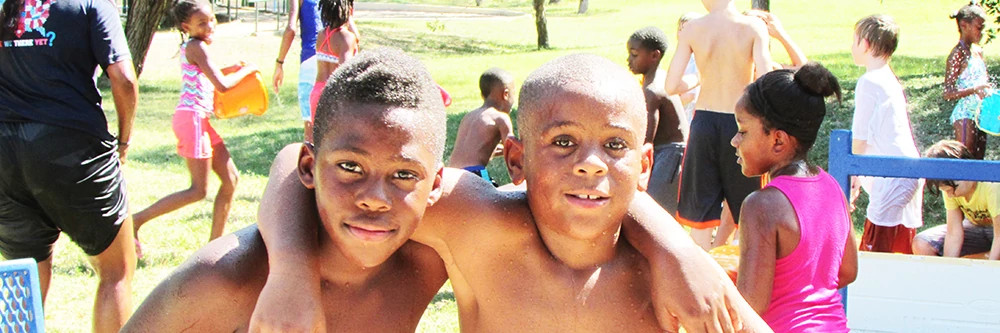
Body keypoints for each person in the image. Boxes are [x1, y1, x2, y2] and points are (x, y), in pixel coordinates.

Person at [249, 54, 769, 332]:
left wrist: (674, 250)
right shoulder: (475, 222)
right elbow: (294, 162)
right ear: (516, 159)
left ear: (645, 164)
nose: (591, 163)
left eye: (615, 145)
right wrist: (291, 275)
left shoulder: (671, 280)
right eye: (562, 141)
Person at [122, 47, 450, 332]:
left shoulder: (432, 259)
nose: (374, 199)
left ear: (435, 185)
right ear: (308, 166)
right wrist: (290, 271)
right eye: (350, 167)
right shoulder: (223, 280)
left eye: (404, 174)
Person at [0, 0, 138, 330]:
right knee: (116, 271)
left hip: (5, 152)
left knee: (25, 274)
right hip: (74, 149)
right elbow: (124, 79)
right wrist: (123, 141)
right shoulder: (92, 4)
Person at [732, 62, 858, 331]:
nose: (734, 141)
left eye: (743, 131)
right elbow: (847, 270)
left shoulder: (761, 206)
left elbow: (750, 306)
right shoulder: (832, 188)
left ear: (778, 140)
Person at [132, 0, 257, 251]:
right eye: (202, 23)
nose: (210, 26)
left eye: (212, 20)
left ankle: (215, 245)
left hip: (200, 120)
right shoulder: (196, 46)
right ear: (185, 26)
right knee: (198, 190)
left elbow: (209, 75)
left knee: (231, 179)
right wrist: (249, 71)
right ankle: (135, 221)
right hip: (192, 120)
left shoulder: (196, 47)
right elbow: (222, 85)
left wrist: (232, 69)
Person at [664, 0, 773, 250]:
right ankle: (747, 270)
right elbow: (766, 81)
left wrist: (700, 78)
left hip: (704, 123)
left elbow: (671, 85)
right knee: (749, 210)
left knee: (701, 217)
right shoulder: (753, 27)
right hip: (741, 122)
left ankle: (699, 274)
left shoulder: (692, 29)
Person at [848, 14, 923, 254]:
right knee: (900, 245)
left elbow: (859, 137)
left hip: (892, 174)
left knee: (876, 248)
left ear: (865, 44)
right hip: (905, 170)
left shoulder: (869, 82)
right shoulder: (888, 78)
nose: (852, 47)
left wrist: (852, 174)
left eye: (854, 41)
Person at [626, 26, 688, 215]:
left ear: (654, 56)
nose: (629, 60)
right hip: (670, 152)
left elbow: (646, 138)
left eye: (634, 55)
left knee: (655, 211)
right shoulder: (662, 78)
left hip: (670, 154)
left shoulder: (652, 90)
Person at [913, 140, 1000, 260]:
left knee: (977, 259)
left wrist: (989, 265)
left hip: (996, 231)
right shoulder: (951, 187)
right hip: (977, 230)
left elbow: (999, 235)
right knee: (922, 243)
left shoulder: (992, 185)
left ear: (965, 172)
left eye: (950, 190)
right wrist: (949, 265)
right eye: (945, 191)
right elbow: (954, 232)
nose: (949, 195)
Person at [446, 68, 515, 184]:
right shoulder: (500, 118)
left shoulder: (468, 117)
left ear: (483, 95)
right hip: (473, 174)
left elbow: (473, 149)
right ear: (506, 94)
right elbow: (513, 152)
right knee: (498, 195)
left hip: (450, 175)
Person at [943, 3, 991, 160]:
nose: (982, 33)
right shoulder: (957, 54)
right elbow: (948, 93)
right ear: (964, 25)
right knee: (965, 160)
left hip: (981, 113)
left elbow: (982, 81)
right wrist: (974, 90)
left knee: (979, 161)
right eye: (979, 28)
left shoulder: (978, 51)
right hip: (965, 114)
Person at [308, 0, 360, 132]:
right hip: (334, 95)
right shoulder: (346, 38)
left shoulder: (321, 35)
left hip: (317, 93)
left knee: (320, 138)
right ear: (349, 11)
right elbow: (344, 73)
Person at [273, 0, 321, 141]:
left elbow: (291, 29)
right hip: (333, 59)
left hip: (310, 61)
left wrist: (279, 63)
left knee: (310, 133)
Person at [676, 12, 703, 120]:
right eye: (680, 29)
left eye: (688, 30)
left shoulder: (694, 59)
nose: (682, 33)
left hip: (689, 113)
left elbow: (691, 95)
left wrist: (671, 104)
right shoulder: (682, 56)